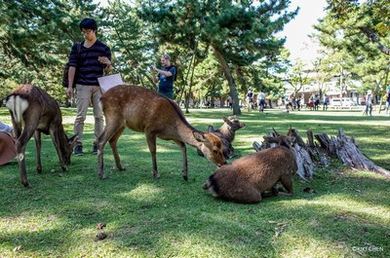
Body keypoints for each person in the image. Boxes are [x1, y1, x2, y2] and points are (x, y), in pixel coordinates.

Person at [66, 18, 112, 156]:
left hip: (98, 86)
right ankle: (77, 144)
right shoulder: (77, 47)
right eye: (83, 32)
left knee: (99, 116)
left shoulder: (104, 48)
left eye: (88, 31)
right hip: (82, 85)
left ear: (95, 30)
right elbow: (72, 67)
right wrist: (69, 86)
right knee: (80, 116)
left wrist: (108, 63)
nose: (86, 34)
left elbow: (108, 70)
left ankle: (98, 143)